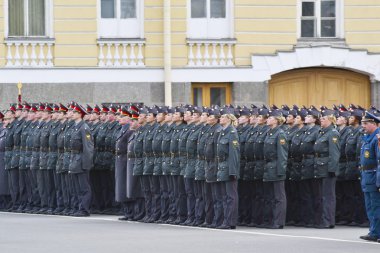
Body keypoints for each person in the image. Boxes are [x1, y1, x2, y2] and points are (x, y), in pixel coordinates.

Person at [313, 109, 340, 229]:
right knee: (322, 195)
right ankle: (323, 219)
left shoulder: (332, 133)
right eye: (321, 118)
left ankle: (328, 221)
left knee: (328, 196)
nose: (321, 120)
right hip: (320, 166)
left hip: (328, 168)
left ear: (330, 119)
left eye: (323, 118)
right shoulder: (321, 132)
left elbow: (334, 154)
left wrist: (332, 170)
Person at [263, 109, 288, 229]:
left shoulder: (280, 134)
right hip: (269, 168)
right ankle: (272, 220)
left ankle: (279, 221)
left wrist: (281, 171)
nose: (267, 119)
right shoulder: (269, 132)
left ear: (276, 120)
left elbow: (282, 155)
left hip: (276, 168)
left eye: (270, 118)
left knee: (279, 197)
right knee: (271, 196)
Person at [215, 108, 240, 229]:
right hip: (222, 167)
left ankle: (231, 221)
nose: (221, 118)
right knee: (224, 196)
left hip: (229, 167)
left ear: (229, 119)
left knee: (231, 196)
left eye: (223, 117)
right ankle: (225, 220)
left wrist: (233, 171)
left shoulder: (232, 133)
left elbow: (234, 154)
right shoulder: (222, 132)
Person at [68, 103, 94, 217]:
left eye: (74, 112)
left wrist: (86, 164)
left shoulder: (84, 128)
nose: (72, 114)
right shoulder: (75, 127)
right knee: (77, 187)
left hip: (81, 161)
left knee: (84, 187)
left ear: (80, 114)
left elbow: (88, 148)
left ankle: (84, 209)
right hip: (75, 161)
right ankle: (79, 207)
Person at [358, 112, 380, 242]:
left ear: (374, 124)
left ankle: (377, 232)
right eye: (362, 123)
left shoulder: (377, 138)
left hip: (374, 176)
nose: (363, 126)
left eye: (366, 123)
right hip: (366, 176)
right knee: (370, 206)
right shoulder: (367, 137)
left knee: (377, 206)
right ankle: (374, 231)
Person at [0, 112, 10, 210]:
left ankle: (5, 202)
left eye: (6, 119)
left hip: (4, 156)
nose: (5, 122)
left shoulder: (6, 131)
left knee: (4, 182)